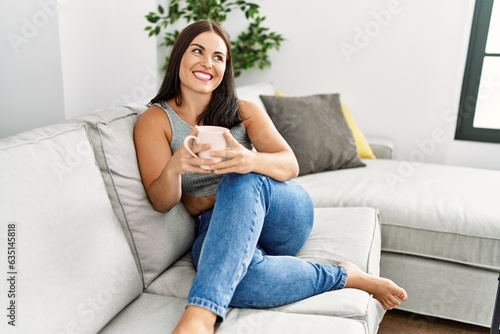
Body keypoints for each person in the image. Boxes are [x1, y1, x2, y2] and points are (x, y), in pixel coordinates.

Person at [134, 20, 407, 334]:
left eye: (218, 57)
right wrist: (176, 167)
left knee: (242, 176)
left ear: (226, 68)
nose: (208, 63)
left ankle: (201, 315)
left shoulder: (244, 110)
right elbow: (161, 201)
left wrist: (247, 159)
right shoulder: (155, 120)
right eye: (198, 51)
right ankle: (345, 275)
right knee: (238, 281)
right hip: (221, 226)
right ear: (179, 56)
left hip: (282, 215)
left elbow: (289, 165)